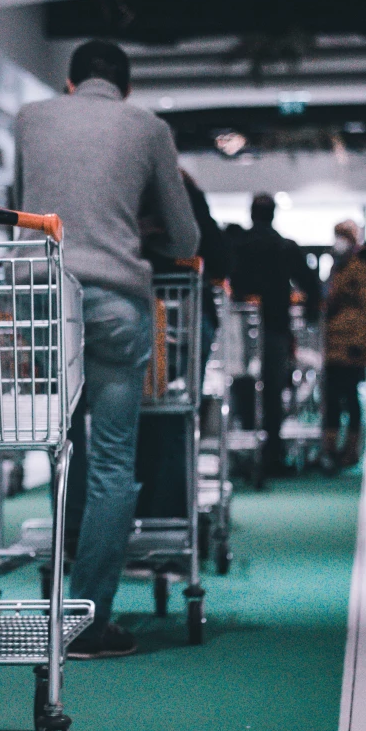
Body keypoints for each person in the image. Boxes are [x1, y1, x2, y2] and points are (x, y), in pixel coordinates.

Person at [14, 40, 199, 658]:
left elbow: (29, 205)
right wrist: (140, 229)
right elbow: (185, 233)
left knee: (61, 445)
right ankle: (91, 620)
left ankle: (60, 598)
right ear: (125, 86)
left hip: (44, 300)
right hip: (117, 303)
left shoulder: (30, 119)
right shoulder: (147, 127)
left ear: (70, 83)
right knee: (114, 461)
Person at [135, 169, 232, 519]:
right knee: (177, 411)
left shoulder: (133, 202)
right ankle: (172, 513)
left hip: (146, 316)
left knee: (141, 416)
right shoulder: (192, 202)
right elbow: (219, 261)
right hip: (188, 318)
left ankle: (143, 510)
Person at [230, 194, 320, 480]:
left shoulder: (239, 245)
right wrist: (310, 314)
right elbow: (310, 283)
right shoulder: (285, 246)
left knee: (241, 384)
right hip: (276, 325)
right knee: (272, 390)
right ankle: (272, 453)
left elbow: (228, 277)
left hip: (241, 326)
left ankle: (244, 450)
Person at [321, 220, 366, 474]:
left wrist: (359, 343)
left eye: (342, 236)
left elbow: (365, 308)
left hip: (352, 345)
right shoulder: (339, 266)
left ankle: (352, 448)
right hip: (334, 342)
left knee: (350, 397)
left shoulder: (362, 267)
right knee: (332, 398)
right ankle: (330, 449)